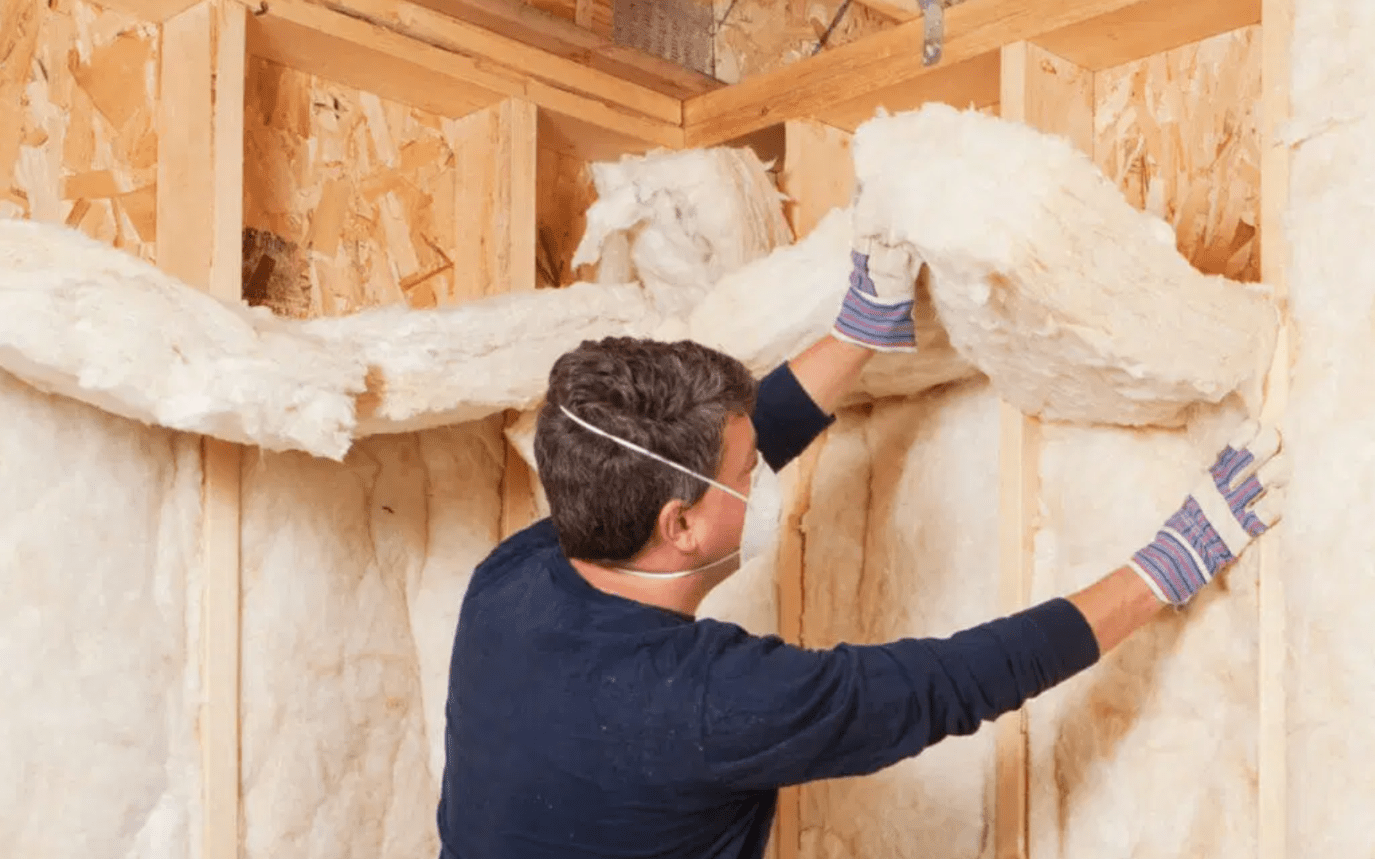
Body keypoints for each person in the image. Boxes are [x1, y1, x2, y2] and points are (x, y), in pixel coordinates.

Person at [433, 234, 1283, 859]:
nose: (758, 475)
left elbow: (692, 457)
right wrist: (1165, 567)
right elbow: (948, 683)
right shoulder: (710, 703)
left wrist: (860, 332)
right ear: (679, 525)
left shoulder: (518, 574)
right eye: (744, 472)